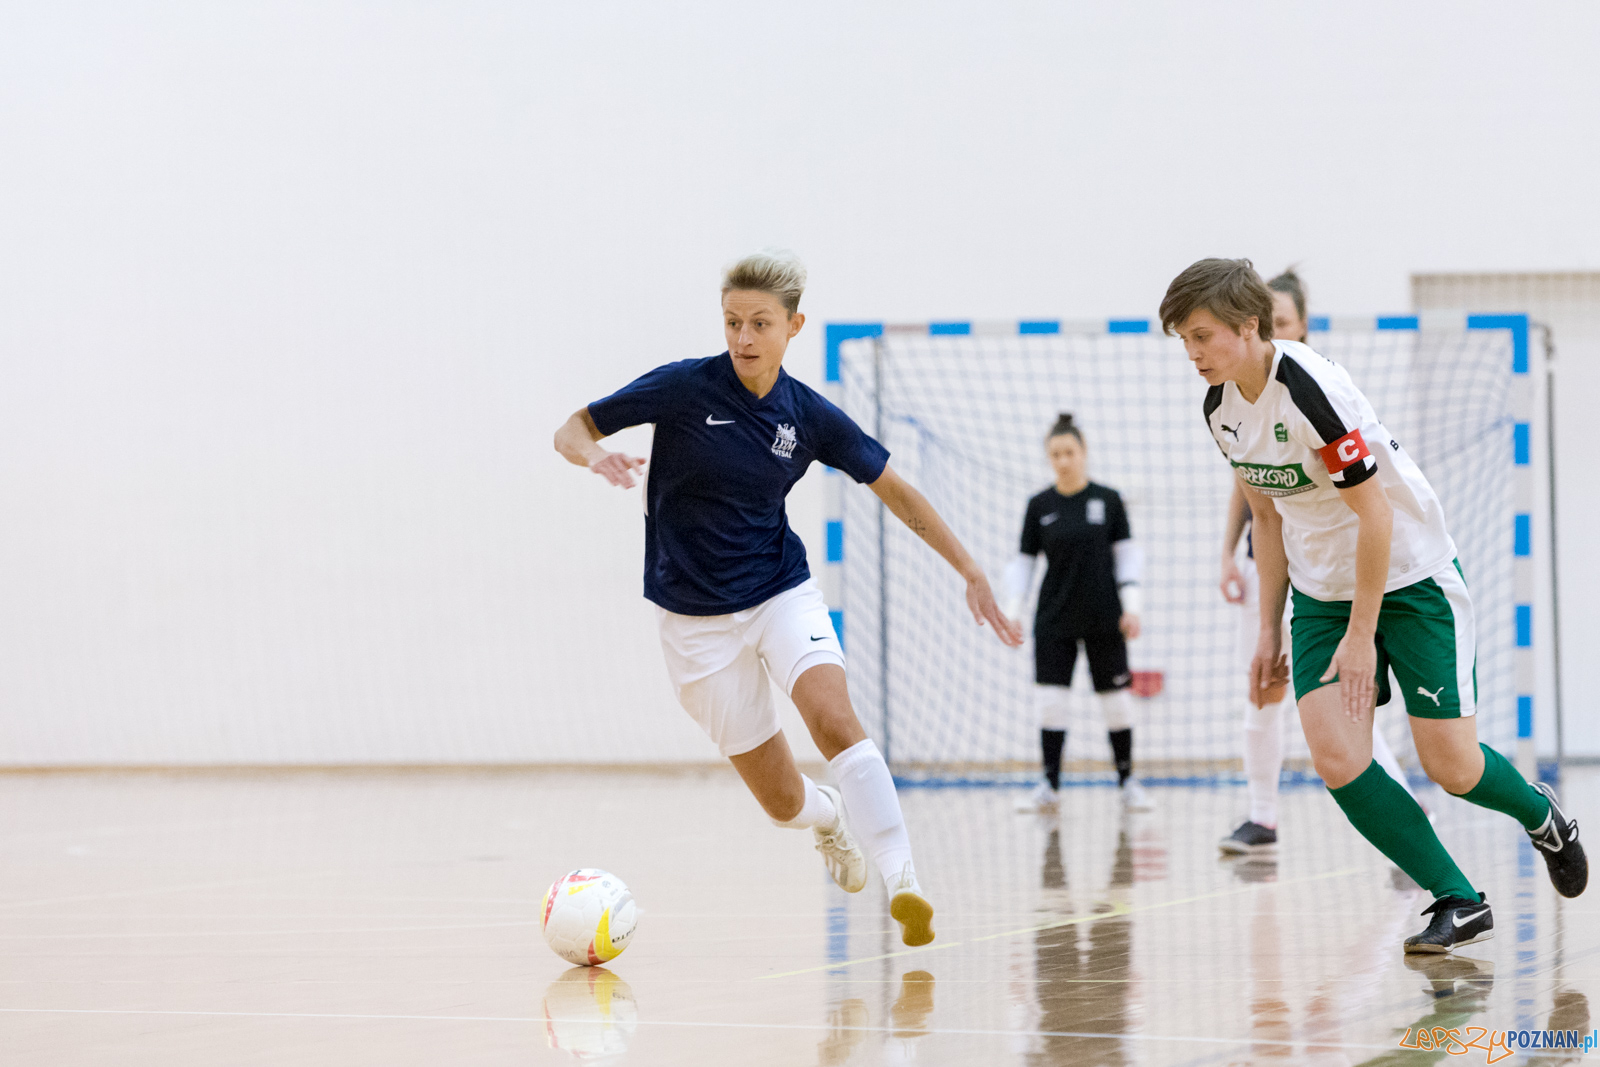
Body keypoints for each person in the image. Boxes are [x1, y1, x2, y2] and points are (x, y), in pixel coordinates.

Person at [553, 250, 1023, 948]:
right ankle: (830, 819)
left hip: (780, 591)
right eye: (733, 322)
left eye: (760, 323)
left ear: (794, 325)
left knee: (834, 718)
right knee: (780, 802)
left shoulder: (808, 415)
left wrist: (969, 568)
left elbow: (895, 488)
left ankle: (904, 880)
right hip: (693, 622)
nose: (744, 337)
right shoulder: (683, 388)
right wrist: (598, 458)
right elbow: (573, 430)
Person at [1161, 257, 1586, 952]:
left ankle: (1543, 816)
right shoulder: (1220, 410)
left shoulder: (1309, 389)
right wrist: (1268, 629)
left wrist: (1363, 635)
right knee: (1337, 756)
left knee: (1452, 765)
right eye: (1184, 340)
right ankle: (1456, 896)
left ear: (1247, 326)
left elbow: (1376, 515)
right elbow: (1266, 520)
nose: (1193, 352)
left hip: (1410, 575)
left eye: (1202, 335)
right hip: (1322, 589)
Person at [1216, 269, 1425, 856]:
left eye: (1281, 323)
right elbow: (1250, 491)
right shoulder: (1233, 405)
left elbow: (1367, 495)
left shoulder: (1318, 388)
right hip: (1276, 562)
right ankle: (1261, 816)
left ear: (1295, 325)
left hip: (1340, 568)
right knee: (1264, 684)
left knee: (1348, 701)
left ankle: (1407, 818)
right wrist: (1227, 555)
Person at [1003, 414, 1152, 814]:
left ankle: (1127, 783)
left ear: (1083, 453)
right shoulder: (1039, 506)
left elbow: (1127, 558)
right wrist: (1013, 612)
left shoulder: (1108, 499)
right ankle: (1049, 786)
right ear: (1048, 458)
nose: (1063, 460)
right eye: (1055, 454)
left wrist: (1132, 608)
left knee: (1116, 703)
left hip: (1106, 618)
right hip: (1054, 620)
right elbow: (1023, 563)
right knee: (1051, 703)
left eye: (1069, 452)